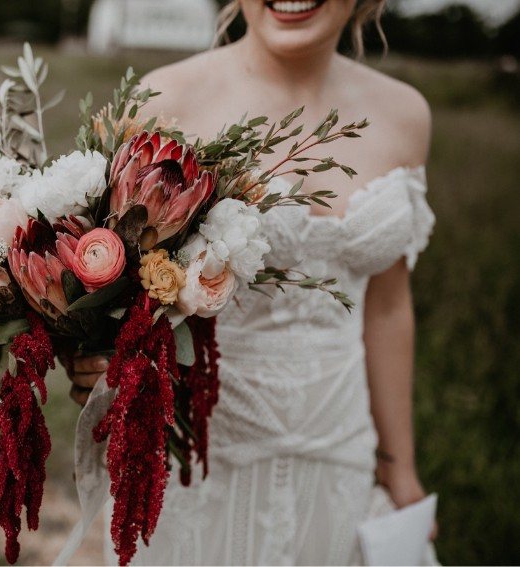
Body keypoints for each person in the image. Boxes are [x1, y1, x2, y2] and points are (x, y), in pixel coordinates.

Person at [65, 0, 437, 563]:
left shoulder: (405, 114)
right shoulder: (165, 101)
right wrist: (96, 359)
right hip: (202, 458)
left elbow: (387, 309)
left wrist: (400, 468)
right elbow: (117, 287)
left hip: (340, 448)